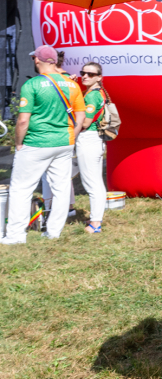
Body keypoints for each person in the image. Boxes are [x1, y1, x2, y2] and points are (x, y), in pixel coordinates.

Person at [1, 46, 85, 244]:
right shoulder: (72, 85)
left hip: (36, 142)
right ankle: (53, 232)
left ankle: (15, 236)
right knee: (61, 188)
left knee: (21, 188)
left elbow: (23, 120)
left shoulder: (33, 84)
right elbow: (81, 116)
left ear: (37, 60)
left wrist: (18, 143)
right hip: (64, 142)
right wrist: (71, 136)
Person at [77, 62, 109, 233]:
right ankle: (96, 219)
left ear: (99, 77)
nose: (85, 76)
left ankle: (96, 223)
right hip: (95, 139)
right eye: (83, 73)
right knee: (95, 181)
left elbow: (86, 122)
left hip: (88, 138)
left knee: (91, 183)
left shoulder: (91, 96)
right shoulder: (98, 92)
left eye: (90, 74)